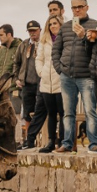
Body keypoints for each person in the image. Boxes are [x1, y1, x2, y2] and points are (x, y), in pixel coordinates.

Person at [52, 0, 97, 153]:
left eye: (80, 6)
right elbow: (56, 50)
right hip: (67, 75)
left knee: (90, 111)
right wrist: (60, 68)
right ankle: (67, 143)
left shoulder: (95, 25)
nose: (77, 10)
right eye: (74, 7)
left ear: (87, 7)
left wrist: (83, 37)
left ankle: (93, 143)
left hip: (86, 75)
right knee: (68, 113)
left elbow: (96, 50)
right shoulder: (65, 27)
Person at [32, 16, 65, 152]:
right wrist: (41, 72)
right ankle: (51, 141)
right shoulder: (44, 41)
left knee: (63, 113)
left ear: (60, 24)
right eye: (50, 24)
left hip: (61, 80)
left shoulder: (64, 39)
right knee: (51, 113)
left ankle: (63, 141)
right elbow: (39, 58)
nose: (52, 26)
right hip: (46, 81)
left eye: (55, 23)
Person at [15, 20, 42, 148]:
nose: (32, 33)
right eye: (30, 31)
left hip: (42, 83)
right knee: (26, 112)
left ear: (40, 30)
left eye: (34, 30)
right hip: (27, 83)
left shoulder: (44, 43)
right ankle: (28, 140)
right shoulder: (24, 45)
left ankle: (41, 139)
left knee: (40, 111)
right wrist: (17, 78)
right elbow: (17, 63)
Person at [0, 23, 23, 115]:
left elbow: (22, 67)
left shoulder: (20, 47)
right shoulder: (1, 50)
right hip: (2, 90)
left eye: (1, 35)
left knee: (15, 115)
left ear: (9, 34)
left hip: (14, 89)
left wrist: (17, 82)